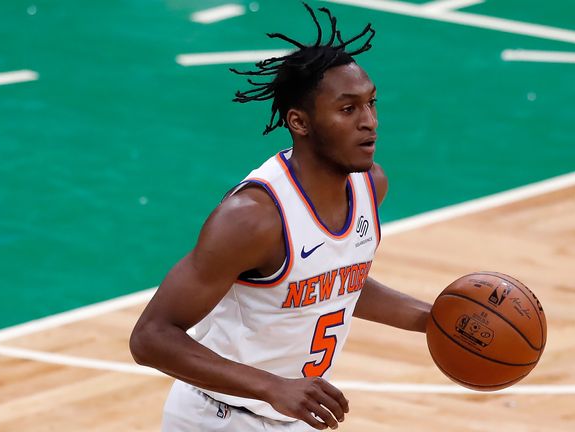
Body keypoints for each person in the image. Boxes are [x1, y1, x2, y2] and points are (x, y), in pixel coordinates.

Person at [130, 4, 431, 431]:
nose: (369, 122)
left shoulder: (370, 186)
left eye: (371, 104)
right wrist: (273, 386)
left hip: (294, 415)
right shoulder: (252, 218)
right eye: (348, 110)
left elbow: (333, 282)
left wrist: (431, 318)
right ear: (299, 122)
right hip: (218, 419)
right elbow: (150, 338)